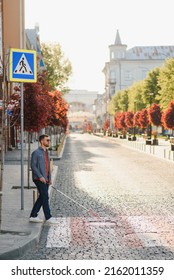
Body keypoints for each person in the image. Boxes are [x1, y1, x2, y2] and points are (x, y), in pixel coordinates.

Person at [29, 134, 57, 224]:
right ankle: (48, 217)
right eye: (47, 140)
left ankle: (33, 215)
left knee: (43, 196)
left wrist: (49, 178)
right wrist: (40, 176)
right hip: (38, 178)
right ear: (42, 141)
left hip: (46, 179)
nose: (49, 141)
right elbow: (33, 166)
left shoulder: (46, 153)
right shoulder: (36, 152)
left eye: (49, 140)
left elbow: (48, 167)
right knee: (45, 196)